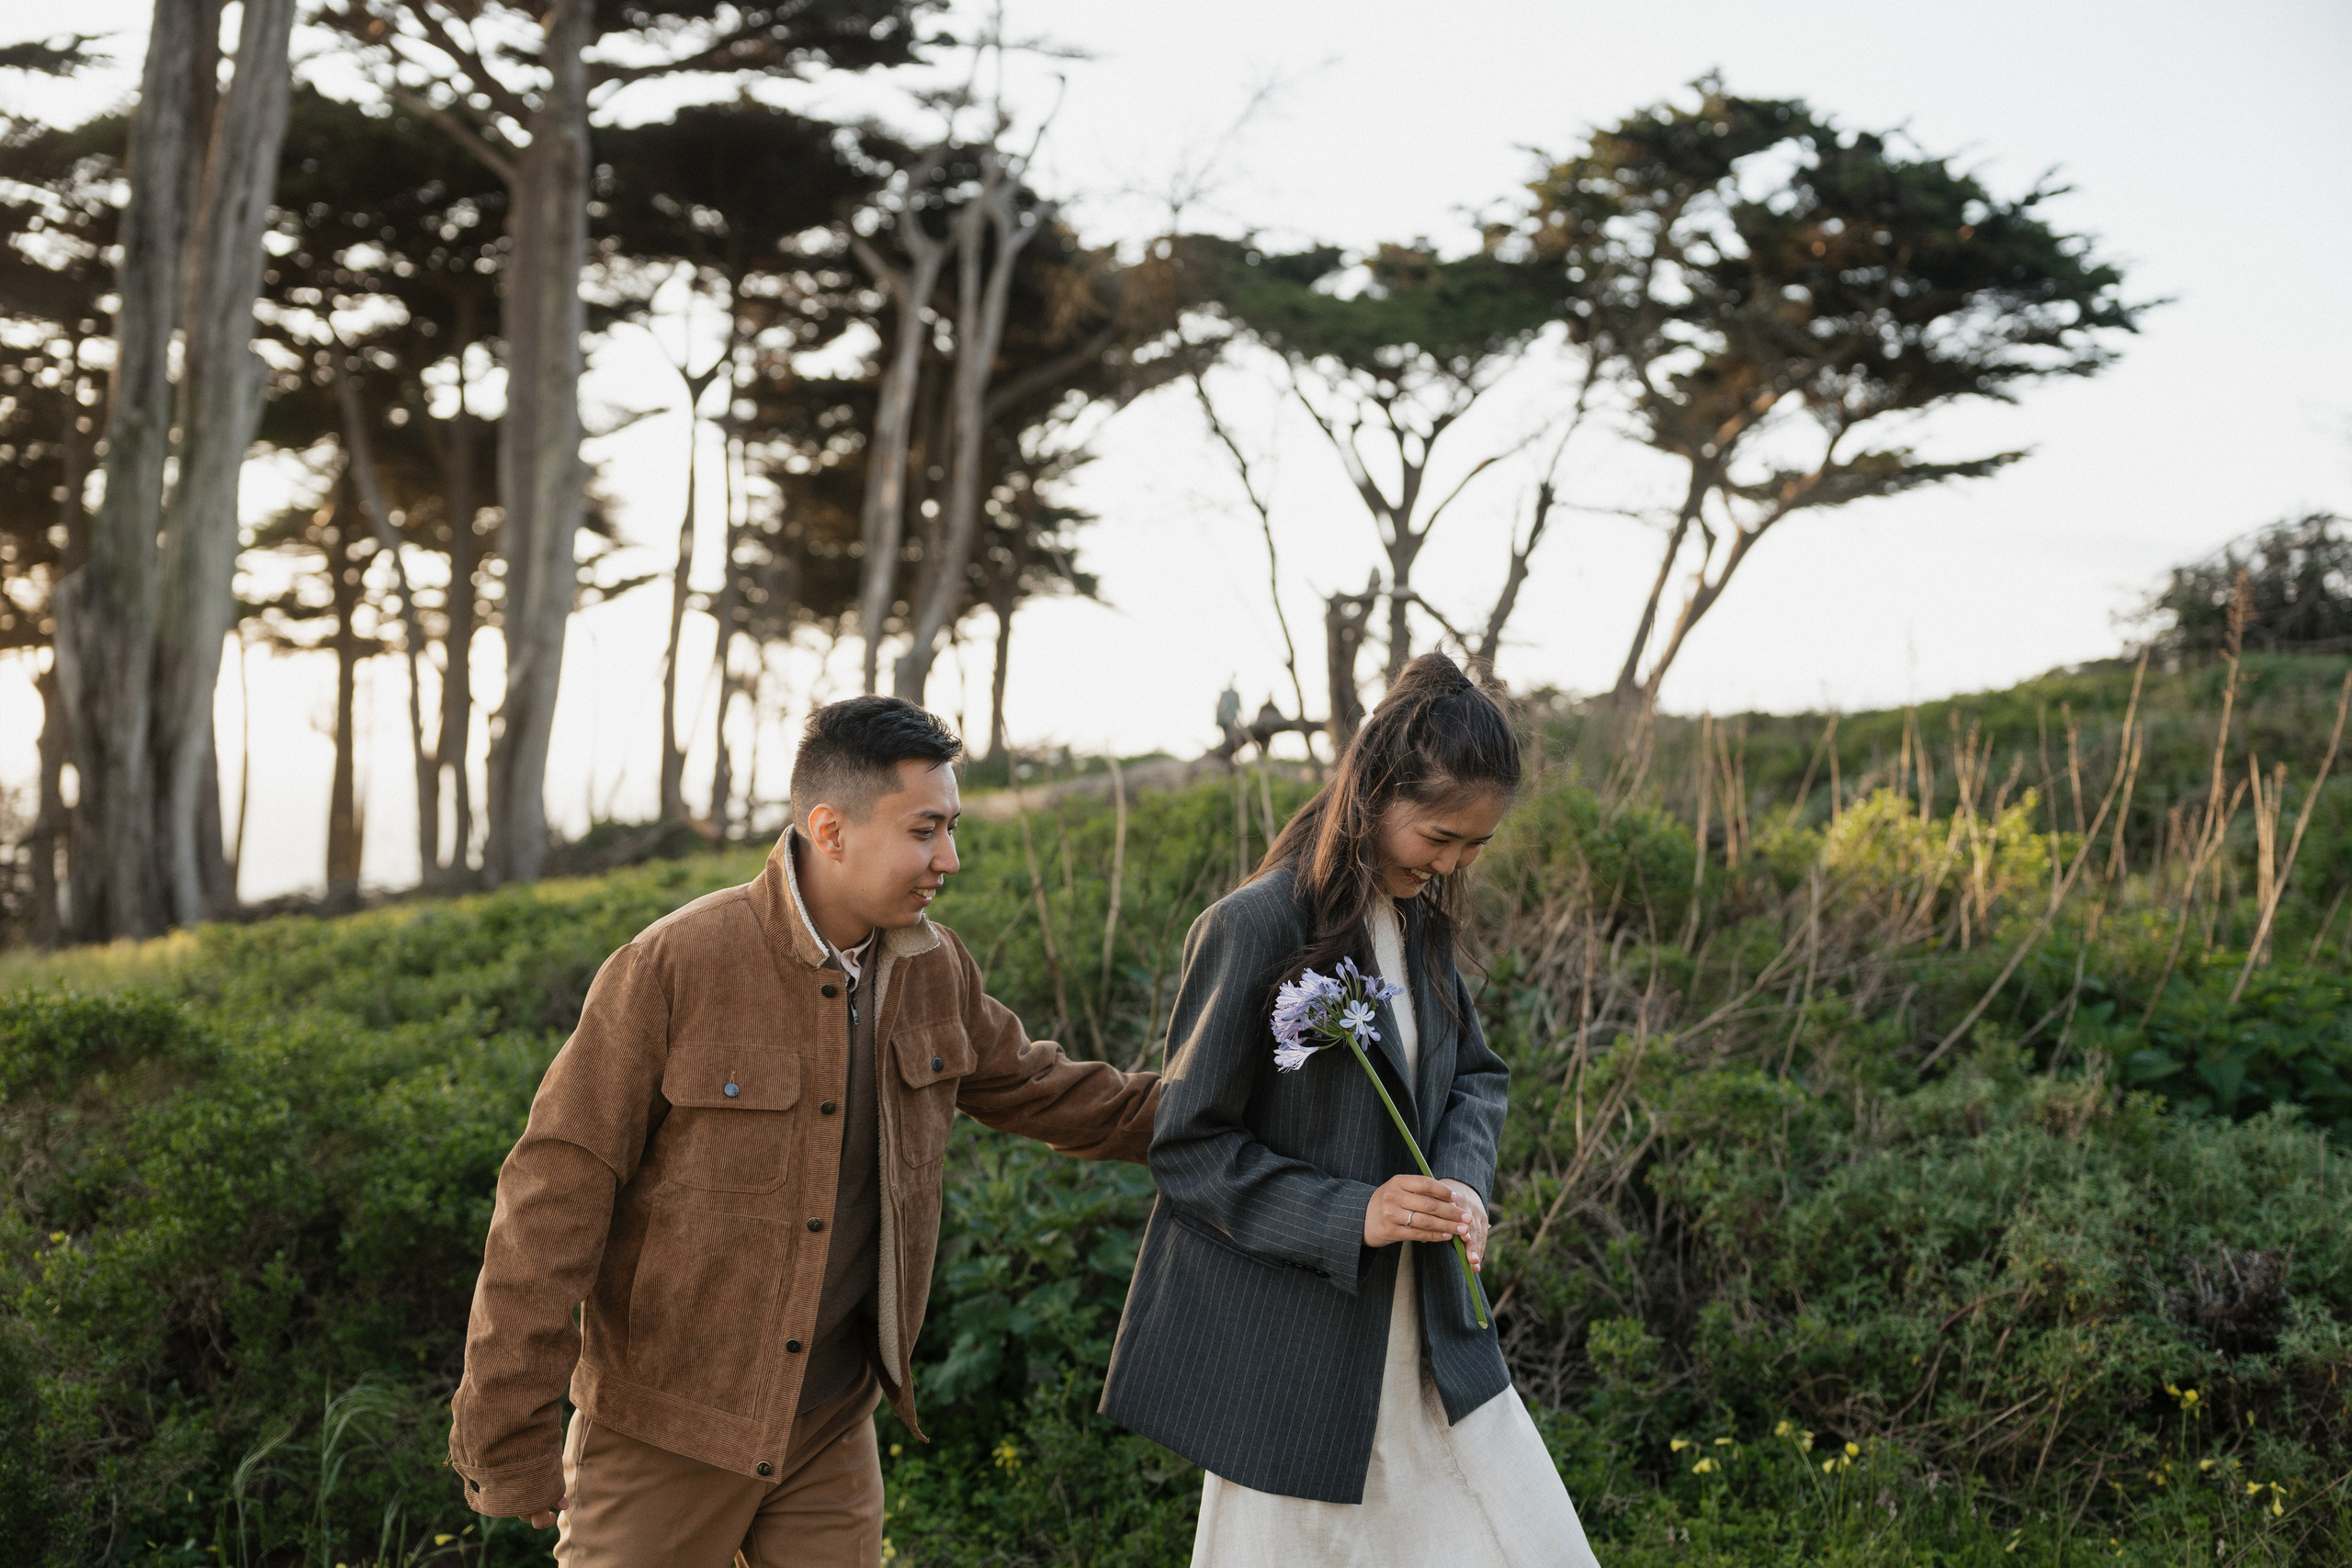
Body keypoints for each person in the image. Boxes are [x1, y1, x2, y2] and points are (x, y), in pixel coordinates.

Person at [449, 696, 1160, 1566]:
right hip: (667, 1426)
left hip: (829, 1422)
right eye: (925, 830)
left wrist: (1244, 1105)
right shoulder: (674, 964)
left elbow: (1053, 1093)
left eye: (952, 827)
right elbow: (553, 1192)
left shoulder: (936, 971)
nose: (950, 857)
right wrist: (507, 1434)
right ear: (830, 829)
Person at [1101, 652, 1600, 1567]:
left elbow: (1476, 1076)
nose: (1451, 865)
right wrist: (1352, 1212)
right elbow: (1189, 1148)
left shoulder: (1422, 925)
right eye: (1439, 837)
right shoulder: (1250, 927)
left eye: (1472, 849)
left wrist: (1460, 1181)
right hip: (1298, 1364)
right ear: (1370, 791)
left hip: (1437, 1344)